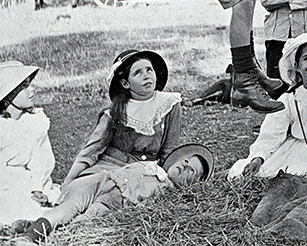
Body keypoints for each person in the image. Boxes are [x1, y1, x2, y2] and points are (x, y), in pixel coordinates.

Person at [10, 144, 213, 246]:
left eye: (191, 171)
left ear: (192, 184)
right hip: (101, 181)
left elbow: (147, 211)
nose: (184, 166)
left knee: (82, 222)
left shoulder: (168, 194)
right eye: (186, 162)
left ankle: (40, 234)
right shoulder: (153, 165)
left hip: (112, 202)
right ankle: (30, 235)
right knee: (68, 207)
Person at [227, 33, 307, 179]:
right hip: (295, 151)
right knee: (265, 174)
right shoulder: (289, 97)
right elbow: (272, 132)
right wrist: (258, 157)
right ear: (296, 66)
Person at [61, 50, 181, 189]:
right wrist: (68, 181)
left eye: (149, 70)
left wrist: (166, 178)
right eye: (138, 73)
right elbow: (91, 151)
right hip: (110, 166)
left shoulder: (169, 104)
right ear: (125, 84)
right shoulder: (117, 111)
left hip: (145, 171)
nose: (146, 76)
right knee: (85, 189)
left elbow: (170, 148)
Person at [0, 62, 60, 227]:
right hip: (4, 182)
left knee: (40, 204)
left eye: (29, 84)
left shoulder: (35, 122)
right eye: (24, 86)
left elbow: (42, 162)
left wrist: (39, 189)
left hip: (29, 181)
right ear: (8, 94)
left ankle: (29, 224)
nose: (32, 89)